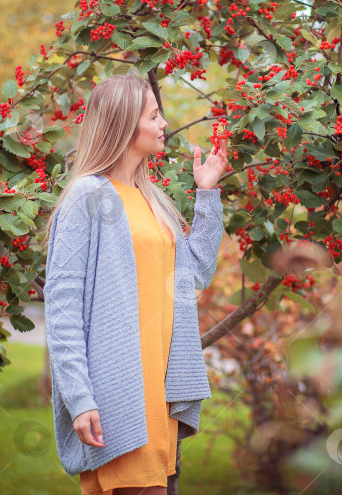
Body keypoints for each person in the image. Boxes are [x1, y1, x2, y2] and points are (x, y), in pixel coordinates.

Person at [42, 73, 228, 494]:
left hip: (157, 388)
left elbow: (194, 272)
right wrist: (79, 397)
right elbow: (62, 307)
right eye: (154, 115)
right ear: (125, 123)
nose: (163, 123)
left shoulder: (151, 199)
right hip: (118, 389)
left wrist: (207, 194)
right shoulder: (87, 196)